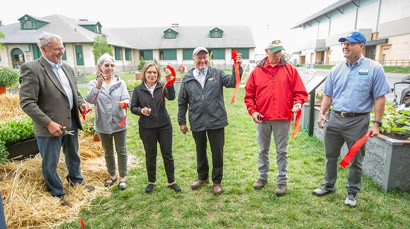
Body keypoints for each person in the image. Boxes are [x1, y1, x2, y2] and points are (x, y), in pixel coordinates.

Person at [313, 31, 391, 207]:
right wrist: (321, 113)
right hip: (334, 119)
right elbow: (328, 95)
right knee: (330, 156)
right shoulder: (336, 69)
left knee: (355, 159)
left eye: (350, 43)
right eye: (344, 43)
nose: (345, 46)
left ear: (361, 46)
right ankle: (328, 185)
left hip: (358, 121)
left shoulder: (374, 69)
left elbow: (380, 98)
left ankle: (352, 193)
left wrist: (377, 124)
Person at [19, 32, 94, 207]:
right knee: (50, 162)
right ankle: (57, 193)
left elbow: (74, 92)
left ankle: (76, 181)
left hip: (71, 122)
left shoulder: (67, 68)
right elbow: (27, 102)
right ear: (43, 49)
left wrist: (81, 103)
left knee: (73, 155)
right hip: (50, 127)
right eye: (57, 49)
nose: (61, 52)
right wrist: (48, 123)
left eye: (62, 48)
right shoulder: (32, 69)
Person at [244, 40, 308, 196]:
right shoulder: (256, 71)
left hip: (282, 118)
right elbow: (249, 95)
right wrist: (253, 112)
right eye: (275, 51)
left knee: (281, 151)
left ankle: (281, 181)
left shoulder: (290, 70)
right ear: (267, 51)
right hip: (262, 118)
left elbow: (300, 92)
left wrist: (298, 103)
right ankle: (262, 177)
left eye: (280, 51)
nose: (278, 54)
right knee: (262, 150)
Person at [178, 47, 243, 195]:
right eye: (199, 57)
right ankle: (202, 177)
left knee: (217, 152)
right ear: (193, 59)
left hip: (216, 120)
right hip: (197, 120)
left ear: (208, 58)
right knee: (200, 150)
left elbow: (233, 82)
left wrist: (236, 67)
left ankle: (217, 181)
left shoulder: (217, 74)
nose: (202, 60)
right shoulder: (188, 78)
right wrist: (182, 122)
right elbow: (182, 102)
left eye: (205, 57)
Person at [130, 62, 181, 193]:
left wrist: (169, 81)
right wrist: (141, 111)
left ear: (158, 74)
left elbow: (171, 97)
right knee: (150, 155)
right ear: (144, 74)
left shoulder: (162, 86)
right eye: (149, 72)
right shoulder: (138, 90)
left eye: (154, 73)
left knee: (167, 155)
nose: (152, 75)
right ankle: (151, 181)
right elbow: (133, 108)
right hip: (147, 127)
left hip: (164, 126)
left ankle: (171, 181)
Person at [85, 53, 130, 190]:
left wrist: (125, 103)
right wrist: (98, 86)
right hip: (102, 123)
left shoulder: (120, 83)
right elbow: (90, 100)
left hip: (118, 122)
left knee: (121, 151)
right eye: (106, 65)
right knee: (108, 152)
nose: (110, 68)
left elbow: (127, 99)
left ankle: (122, 177)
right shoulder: (93, 83)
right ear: (100, 67)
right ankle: (112, 175)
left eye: (112, 65)